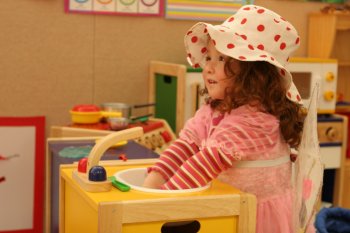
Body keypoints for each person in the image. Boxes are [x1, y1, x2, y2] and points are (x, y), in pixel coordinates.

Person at [143, 5, 306, 233]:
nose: (208, 66)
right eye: (208, 56)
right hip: (229, 207)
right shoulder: (214, 109)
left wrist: (156, 209)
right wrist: (149, 187)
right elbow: (185, 147)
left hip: (256, 218)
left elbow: (204, 164)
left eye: (220, 58)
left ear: (253, 71)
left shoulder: (256, 120)